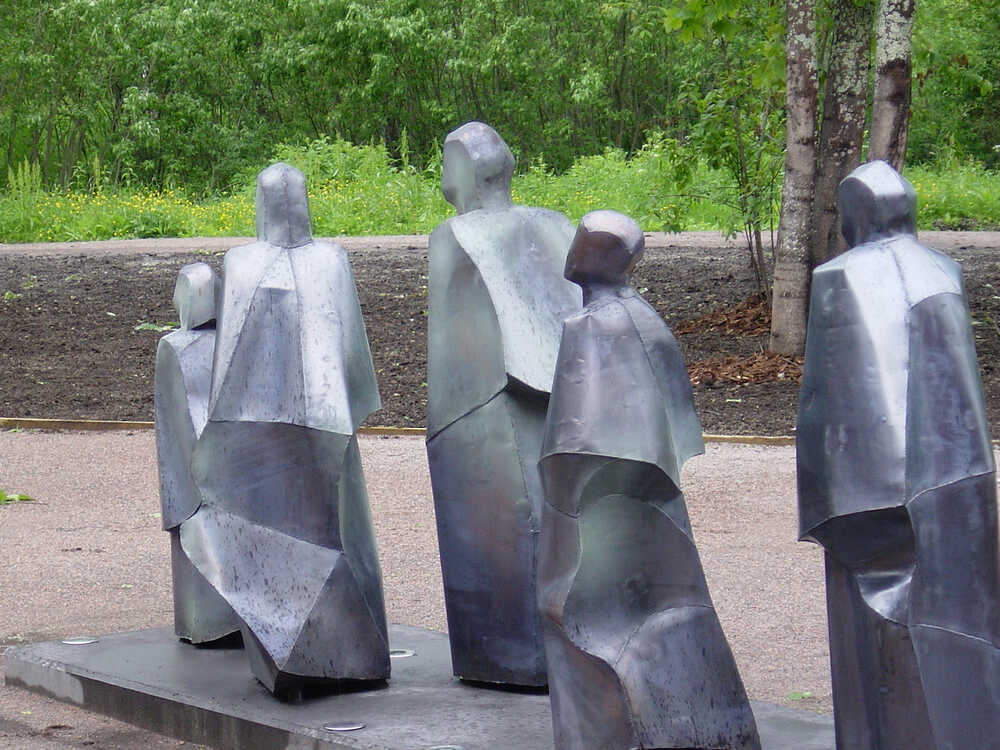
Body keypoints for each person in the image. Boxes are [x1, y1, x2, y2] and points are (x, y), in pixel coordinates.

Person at [538, 210, 760, 750]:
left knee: (570, 611)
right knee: (657, 606)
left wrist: (560, 511)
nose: (573, 248)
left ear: (594, 255)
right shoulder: (645, 317)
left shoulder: (590, 326)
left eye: (582, 240)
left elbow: (573, 443)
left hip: (599, 497)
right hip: (640, 490)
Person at [798, 160, 1000, 748]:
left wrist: (826, 507)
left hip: (877, 493)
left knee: (885, 635)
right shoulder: (943, 268)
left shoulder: (839, 276)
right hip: (959, 480)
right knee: (959, 621)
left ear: (854, 214)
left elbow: (832, 406)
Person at [182, 162, 389, 696]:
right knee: (328, 529)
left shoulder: (245, 260)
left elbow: (229, 363)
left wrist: (221, 430)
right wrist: (346, 406)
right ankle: (344, 653)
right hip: (322, 417)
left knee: (293, 530)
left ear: (260, 205)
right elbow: (351, 354)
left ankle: (304, 656)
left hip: (262, 421)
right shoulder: (327, 259)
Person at [425, 121, 581, 686]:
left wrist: (440, 428)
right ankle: (564, 651)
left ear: (464, 169)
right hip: (564, 394)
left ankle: (509, 658)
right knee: (557, 523)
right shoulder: (556, 223)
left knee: (508, 531)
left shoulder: (454, 234)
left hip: (481, 409)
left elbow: (452, 349)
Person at [154, 262, 240, 644]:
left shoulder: (174, 346)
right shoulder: (232, 343)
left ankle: (204, 625)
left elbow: (175, 419)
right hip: (228, 462)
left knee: (197, 539)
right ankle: (227, 623)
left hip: (193, 465)